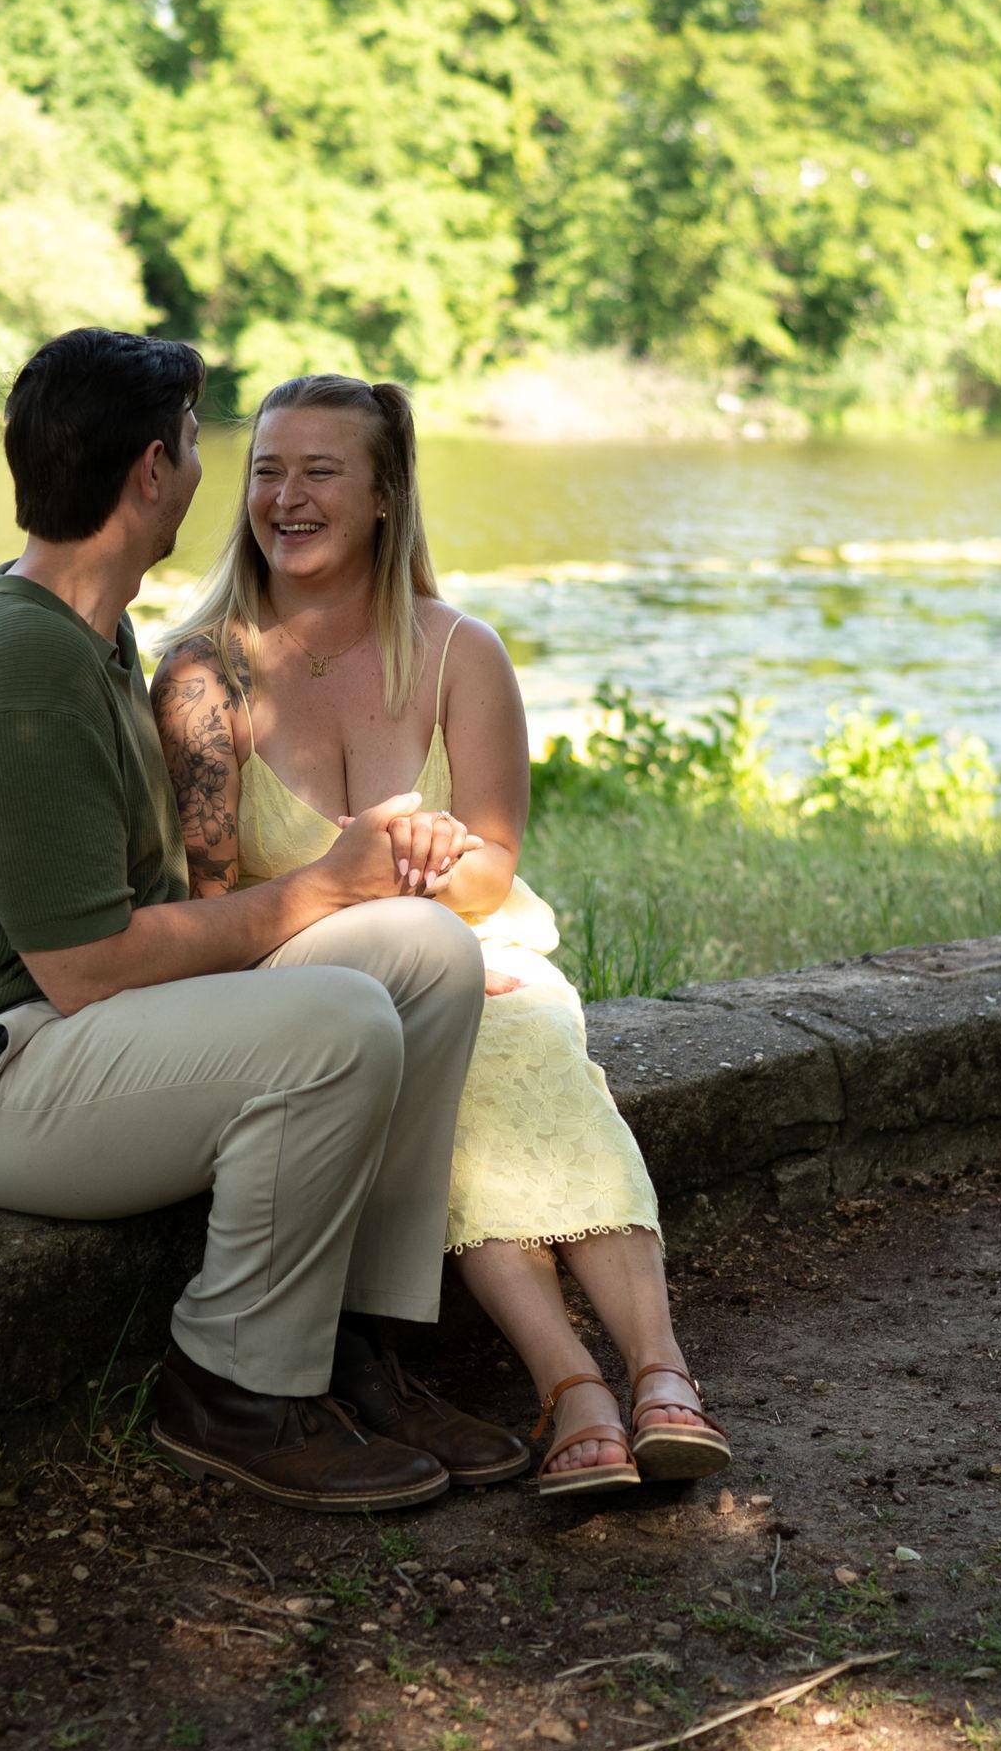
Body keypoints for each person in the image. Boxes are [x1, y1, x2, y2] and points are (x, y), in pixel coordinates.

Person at [0, 329, 530, 1512]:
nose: (205, 470)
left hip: (79, 1039)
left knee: (423, 951)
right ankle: (233, 1381)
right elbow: (83, 967)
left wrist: (355, 897)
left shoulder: (94, 633)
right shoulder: (19, 665)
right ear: (148, 473)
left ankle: (354, 1345)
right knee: (336, 1014)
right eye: (192, 443)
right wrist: (320, 887)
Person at [152, 373, 730, 1495]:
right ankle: (577, 1384)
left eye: (321, 470)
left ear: (383, 494)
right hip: (300, 975)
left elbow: (490, 863)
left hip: (486, 947)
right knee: (443, 1023)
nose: (286, 495)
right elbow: (211, 899)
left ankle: (655, 1375)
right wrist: (388, 900)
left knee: (517, 1044)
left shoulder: (460, 651)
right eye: (268, 469)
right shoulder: (202, 672)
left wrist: (439, 921)